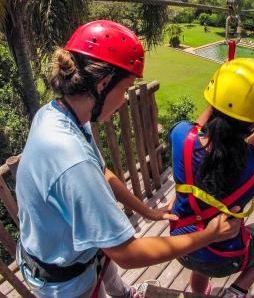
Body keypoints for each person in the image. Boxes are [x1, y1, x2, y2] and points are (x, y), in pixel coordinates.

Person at [15, 20, 242, 298]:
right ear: (103, 83)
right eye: (125, 89)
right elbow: (127, 254)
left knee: (113, 280)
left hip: (74, 250)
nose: (124, 100)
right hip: (68, 283)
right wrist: (209, 236)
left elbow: (104, 173)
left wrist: (149, 212)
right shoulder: (72, 161)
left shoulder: (58, 114)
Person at [168, 58, 254, 298]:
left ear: (212, 101)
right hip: (226, 259)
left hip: (181, 246)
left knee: (201, 223)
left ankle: (200, 293)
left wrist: (222, 95)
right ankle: (237, 290)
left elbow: (198, 127)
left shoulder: (181, 136)